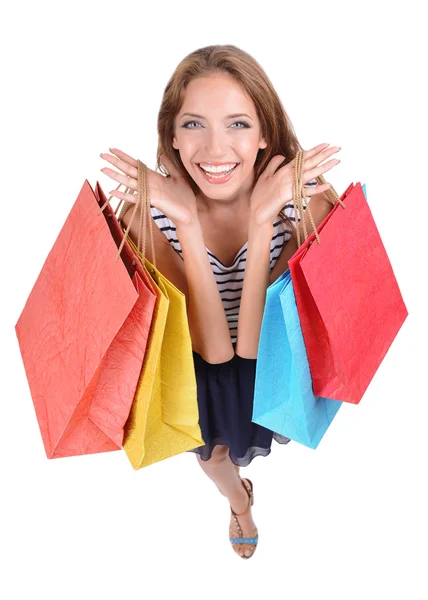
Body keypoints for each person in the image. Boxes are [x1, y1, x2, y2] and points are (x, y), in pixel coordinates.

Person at [99, 44, 341, 559]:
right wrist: (185, 223)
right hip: (193, 362)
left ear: (264, 135)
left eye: (237, 124)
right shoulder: (153, 213)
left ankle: (238, 495)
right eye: (193, 125)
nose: (215, 148)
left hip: (270, 360)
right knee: (215, 459)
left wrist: (260, 220)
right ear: (170, 136)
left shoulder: (300, 200)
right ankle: (240, 503)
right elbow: (210, 349)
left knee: (234, 442)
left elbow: (253, 347)